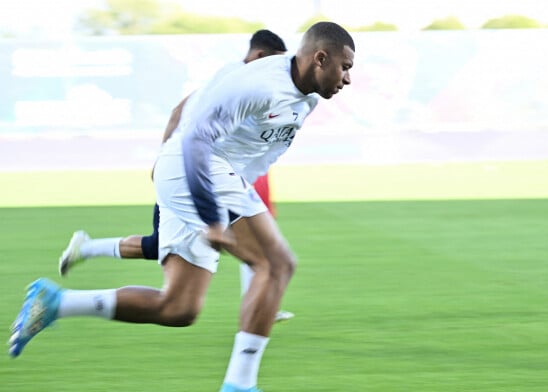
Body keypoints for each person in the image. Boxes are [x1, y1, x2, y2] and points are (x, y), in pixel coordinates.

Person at [9, 21, 355, 392]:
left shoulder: (309, 99)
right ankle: (239, 386)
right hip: (199, 168)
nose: (348, 78)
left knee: (178, 308)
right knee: (276, 262)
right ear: (320, 58)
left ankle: (56, 302)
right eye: (345, 67)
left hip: (209, 175)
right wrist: (210, 215)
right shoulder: (256, 84)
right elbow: (195, 140)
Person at [58, 29, 294, 322]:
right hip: (191, 172)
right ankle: (262, 301)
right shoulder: (239, 79)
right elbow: (180, 115)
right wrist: (164, 159)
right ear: (259, 56)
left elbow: (183, 113)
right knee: (183, 283)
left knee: (168, 259)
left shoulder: (237, 79)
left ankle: (83, 256)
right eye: (274, 63)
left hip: (200, 171)